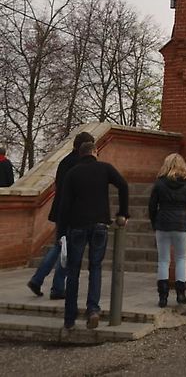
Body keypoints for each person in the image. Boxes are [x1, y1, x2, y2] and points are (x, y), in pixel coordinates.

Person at [58, 140, 129, 330]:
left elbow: (64, 207)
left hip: (77, 225)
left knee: (73, 271)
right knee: (95, 267)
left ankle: (70, 318)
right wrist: (123, 213)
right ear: (95, 152)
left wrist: (61, 232)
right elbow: (123, 185)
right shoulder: (105, 168)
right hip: (99, 224)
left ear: (80, 154)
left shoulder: (72, 173)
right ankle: (93, 310)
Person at [27, 130, 94, 299]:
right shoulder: (81, 163)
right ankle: (56, 288)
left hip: (60, 210)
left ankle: (37, 279)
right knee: (67, 249)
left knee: (59, 245)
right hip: (72, 212)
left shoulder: (65, 161)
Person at [148, 153, 186, 307]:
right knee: (181, 258)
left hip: (163, 223)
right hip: (181, 223)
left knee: (163, 260)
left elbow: (152, 206)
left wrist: (155, 223)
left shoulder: (159, 183)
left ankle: (163, 296)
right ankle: (181, 293)